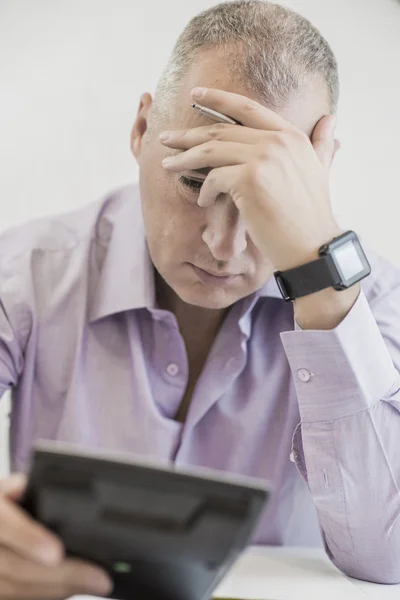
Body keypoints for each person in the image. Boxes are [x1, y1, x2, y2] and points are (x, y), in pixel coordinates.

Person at [1, 0, 400, 597]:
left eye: (263, 196)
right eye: (195, 180)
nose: (223, 246)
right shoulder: (25, 275)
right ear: (140, 131)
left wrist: (320, 283)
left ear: (316, 179)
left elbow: (389, 556)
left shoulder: (372, 306)